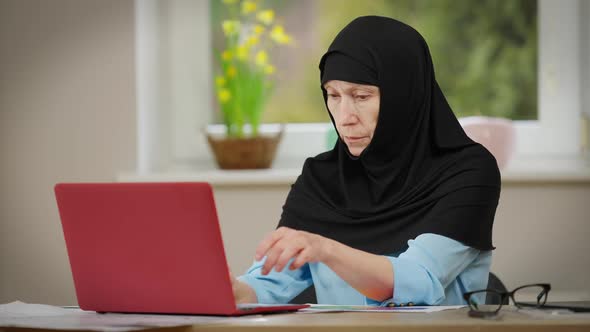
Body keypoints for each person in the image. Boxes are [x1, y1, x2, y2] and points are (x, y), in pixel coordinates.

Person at [231, 15, 501, 306]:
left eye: (361, 96)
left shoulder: (469, 172)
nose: (344, 117)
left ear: (404, 94)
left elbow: (419, 280)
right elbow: (267, 285)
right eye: (333, 95)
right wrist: (219, 288)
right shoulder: (320, 179)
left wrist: (324, 248)